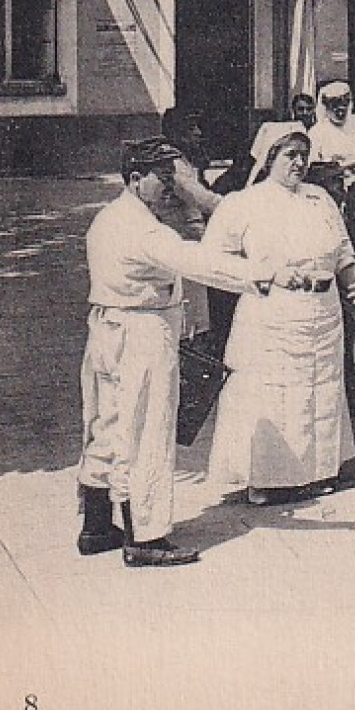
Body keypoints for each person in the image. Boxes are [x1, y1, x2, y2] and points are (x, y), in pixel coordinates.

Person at [78, 139, 296, 567]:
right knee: (147, 433)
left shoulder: (108, 218)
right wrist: (266, 274)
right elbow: (198, 262)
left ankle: (97, 526)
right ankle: (147, 537)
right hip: (141, 333)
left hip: (106, 329)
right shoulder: (145, 230)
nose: (171, 188)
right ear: (135, 178)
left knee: (104, 425)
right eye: (163, 177)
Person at [204, 123, 355, 505]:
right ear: (270, 158)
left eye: (304, 155)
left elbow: (344, 255)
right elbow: (214, 260)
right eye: (290, 155)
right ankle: (267, 480)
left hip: (323, 313)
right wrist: (259, 279)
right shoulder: (244, 203)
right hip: (272, 315)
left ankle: (314, 474)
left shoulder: (320, 199)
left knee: (319, 392)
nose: (299, 163)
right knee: (275, 396)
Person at [307, 80, 355, 169]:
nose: (340, 109)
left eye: (344, 104)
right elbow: (314, 164)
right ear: (326, 106)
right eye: (334, 105)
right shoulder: (317, 132)